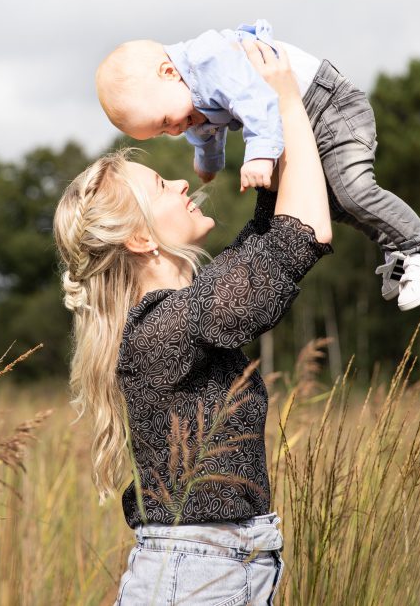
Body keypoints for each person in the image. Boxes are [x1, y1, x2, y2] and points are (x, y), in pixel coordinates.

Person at [55, 40, 332, 604]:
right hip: (197, 577)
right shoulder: (157, 333)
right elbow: (297, 240)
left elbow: (263, 242)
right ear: (138, 238)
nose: (182, 182)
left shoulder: (176, 319)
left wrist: (268, 135)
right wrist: (286, 103)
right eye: (161, 187)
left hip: (221, 569)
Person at [94, 18, 420, 311]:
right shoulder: (188, 95)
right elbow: (205, 129)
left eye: (164, 121)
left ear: (168, 72)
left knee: (354, 189)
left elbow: (259, 101)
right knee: (331, 202)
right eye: (163, 132)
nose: (174, 129)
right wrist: (209, 161)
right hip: (302, 116)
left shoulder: (209, 60)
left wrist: (259, 154)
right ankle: (395, 243)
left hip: (326, 104)